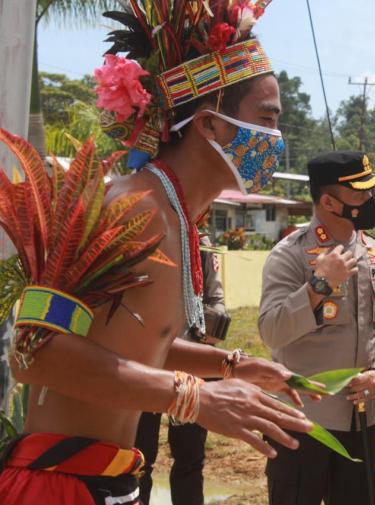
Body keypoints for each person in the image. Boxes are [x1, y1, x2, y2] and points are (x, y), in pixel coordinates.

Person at [0, 2, 316, 504]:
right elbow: (33, 351)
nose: (276, 138)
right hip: (59, 486)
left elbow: (129, 343)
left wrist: (232, 366)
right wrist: (195, 398)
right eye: (266, 118)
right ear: (209, 126)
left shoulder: (175, 217)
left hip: (105, 479)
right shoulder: (134, 207)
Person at [259, 151, 375, 505]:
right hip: (302, 420)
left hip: (360, 420)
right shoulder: (290, 255)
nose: (370, 201)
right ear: (328, 201)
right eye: (360, 194)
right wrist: (318, 284)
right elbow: (271, 331)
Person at [135, 228, 231, 505]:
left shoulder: (200, 241)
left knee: (190, 457)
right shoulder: (145, 232)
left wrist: (210, 324)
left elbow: (216, 299)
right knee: (140, 457)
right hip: (146, 363)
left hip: (191, 367)